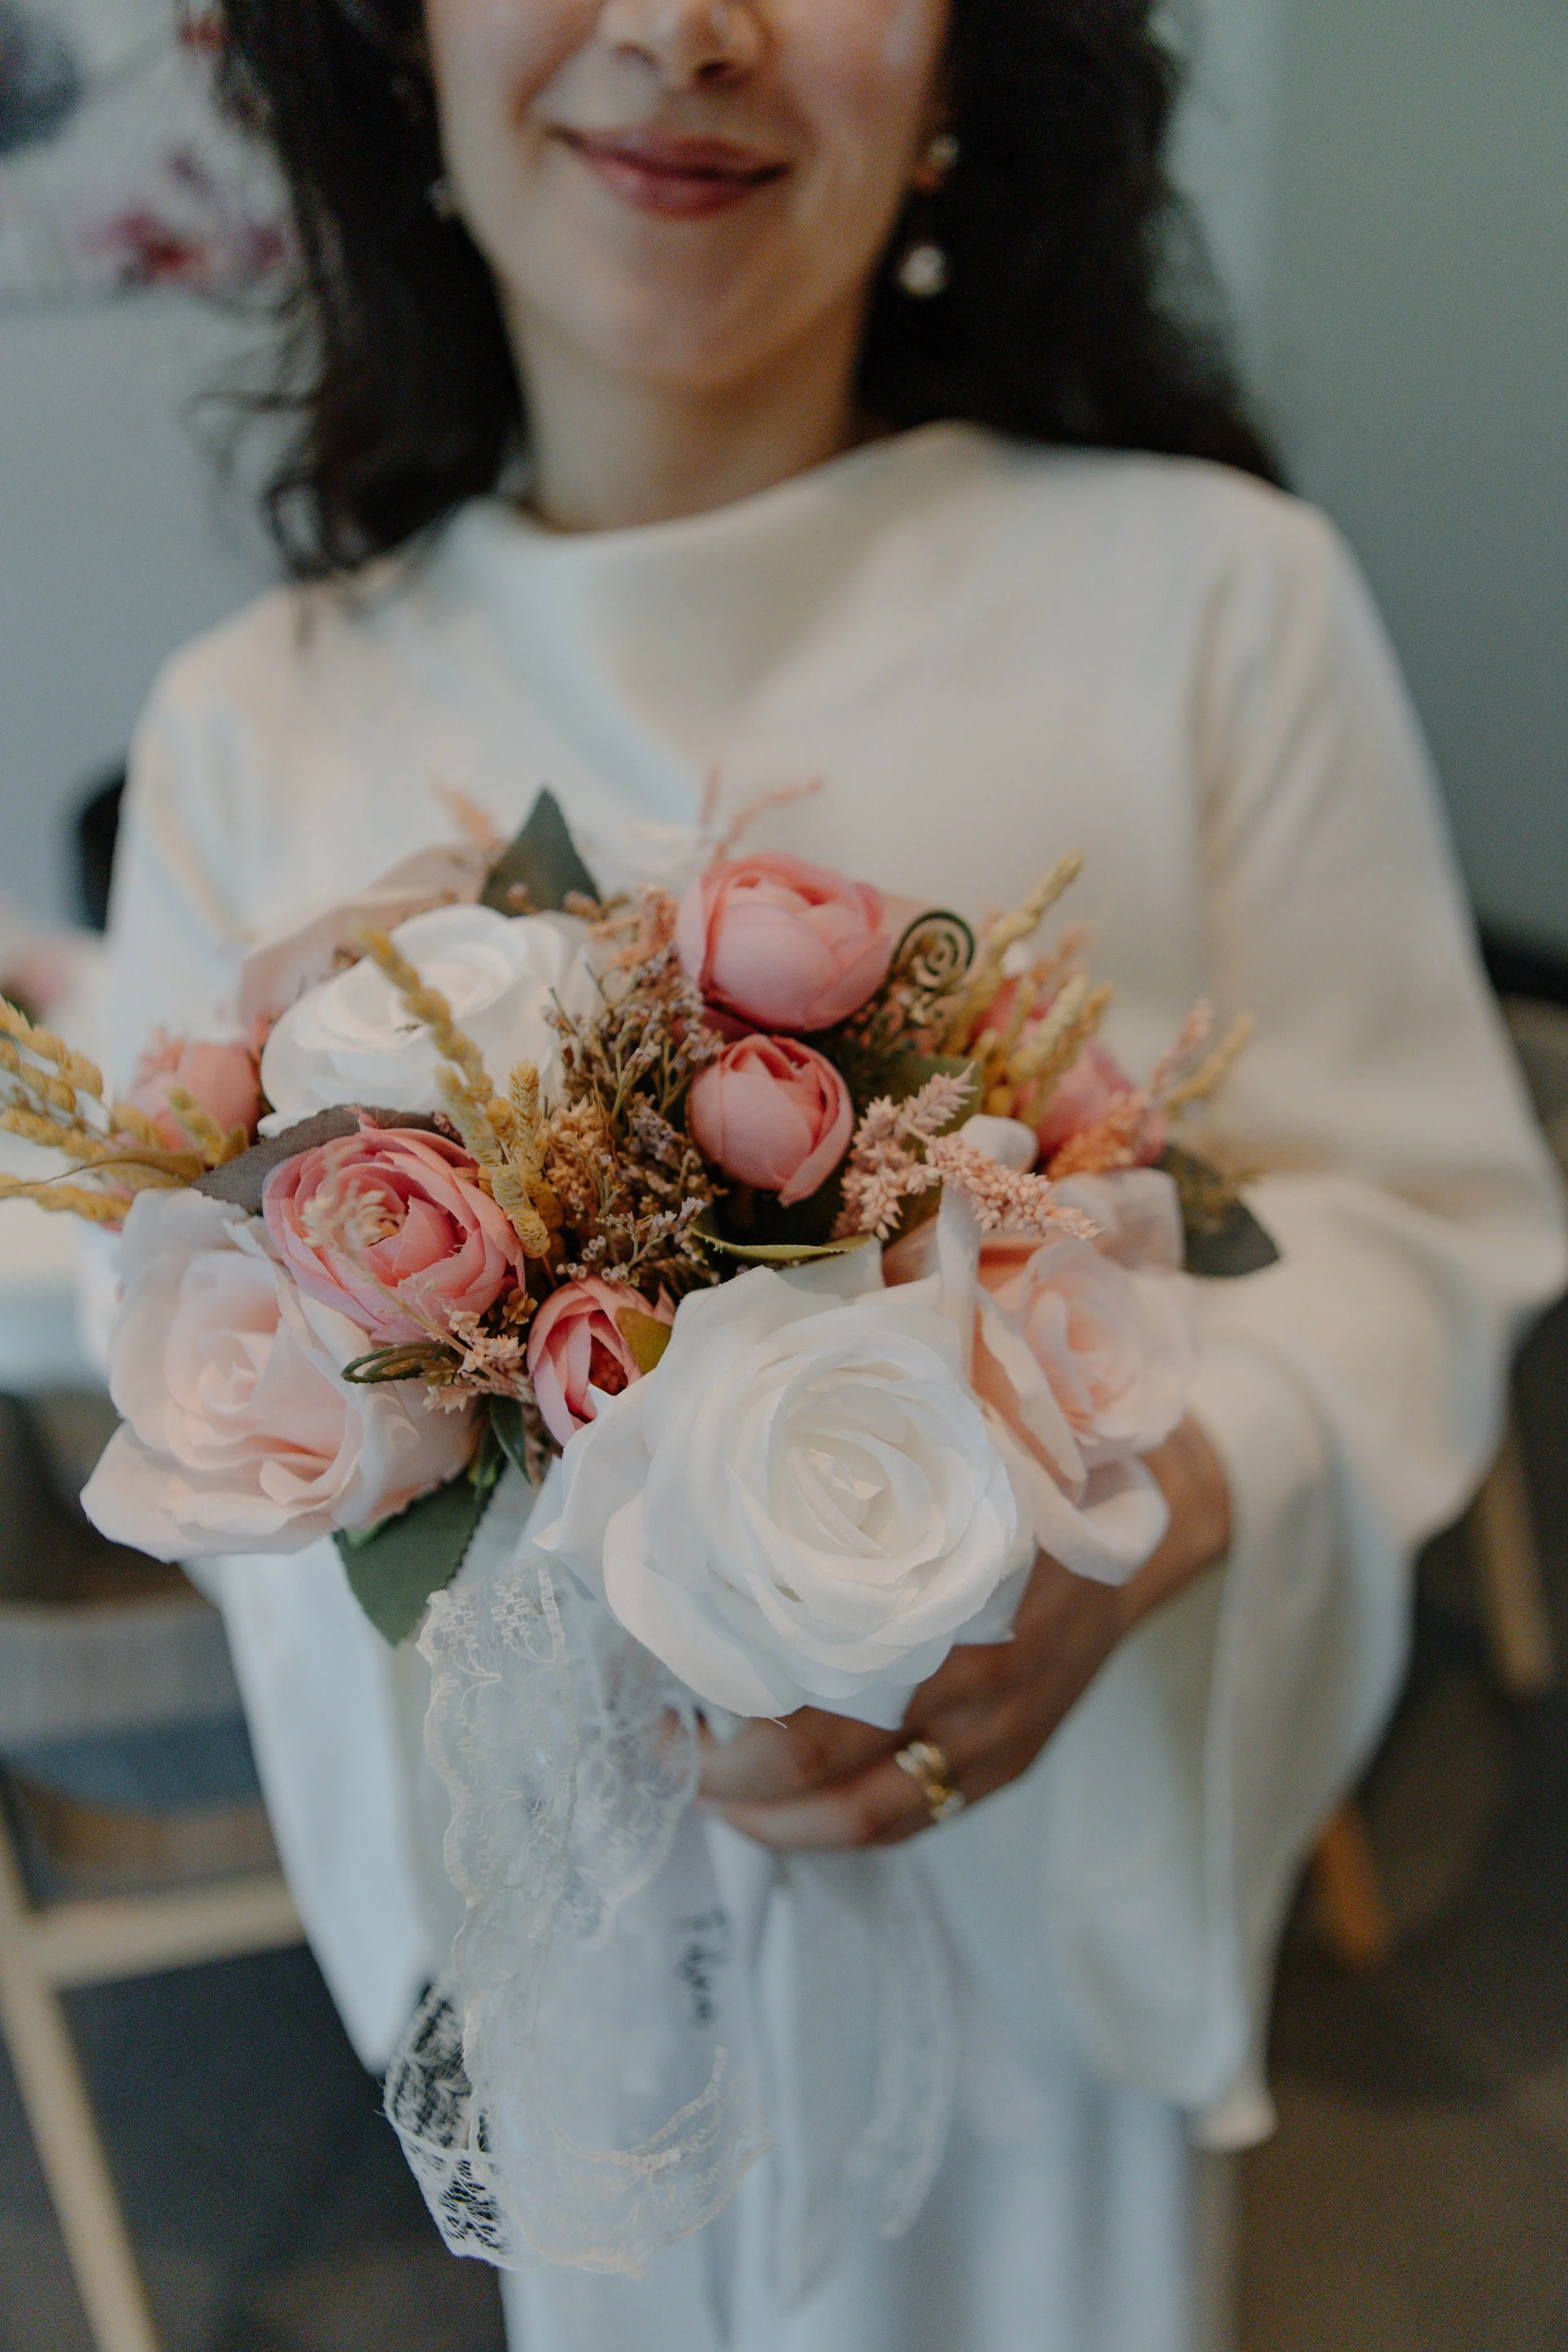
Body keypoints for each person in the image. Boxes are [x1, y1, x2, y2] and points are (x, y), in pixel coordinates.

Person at [98, 3, 1565, 2347]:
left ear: (981, 61)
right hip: (596, 1985)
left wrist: (1153, 1499)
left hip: (1023, 1899)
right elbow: (149, 1295)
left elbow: (1415, 1210)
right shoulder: (255, 717)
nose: (683, 28)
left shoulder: (1207, 596)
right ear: (396, 59)